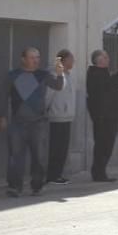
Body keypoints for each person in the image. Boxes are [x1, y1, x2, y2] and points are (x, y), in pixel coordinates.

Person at [1, 47, 65, 197]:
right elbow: (3, 96)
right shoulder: (13, 75)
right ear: (23, 59)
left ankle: (37, 186)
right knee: (15, 156)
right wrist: (2, 116)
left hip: (38, 123)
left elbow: (58, 86)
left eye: (37, 57)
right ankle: (14, 186)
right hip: (18, 123)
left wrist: (60, 74)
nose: (35, 60)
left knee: (39, 156)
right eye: (32, 57)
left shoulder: (43, 75)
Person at [86, 50, 118, 183]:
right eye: (105, 57)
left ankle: (100, 172)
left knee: (106, 146)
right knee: (103, 146)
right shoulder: (95, 74)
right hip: (103, 117)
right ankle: (98, 174)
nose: (108, 59)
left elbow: (112, 81)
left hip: (108, 116)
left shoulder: (102, 73)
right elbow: (113, 84)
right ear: (98, 60)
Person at [44, 49, 76, 185]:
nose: (73, 62)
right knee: (56, 147)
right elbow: (49, 95)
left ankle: (58, 174)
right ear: (63, 60)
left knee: (63, 147)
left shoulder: (69, 75)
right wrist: (45, 109)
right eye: (70, 59)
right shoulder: (55, 75)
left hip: (67, 116)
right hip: (56, 116)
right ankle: (52, 175)